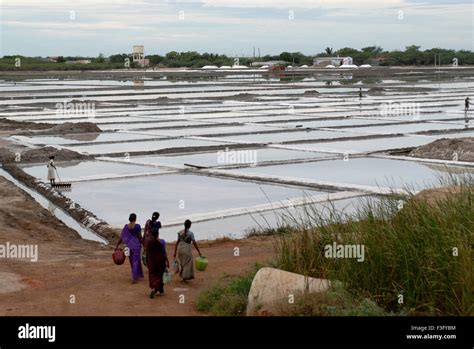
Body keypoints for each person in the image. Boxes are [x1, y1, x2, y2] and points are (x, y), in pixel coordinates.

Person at [116, 213, 144, 283]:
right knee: (136, 261)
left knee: (132, 261)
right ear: (135, 219)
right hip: (136, 246)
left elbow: (121, 237)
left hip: (129, 246)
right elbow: (140, 237)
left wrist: (117, 245)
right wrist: (144, 244)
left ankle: (137, 275)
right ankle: (134, 277)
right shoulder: (137, 226)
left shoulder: (126, 227)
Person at [146, 226, 169, 298]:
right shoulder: (161, 242)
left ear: (151, 234)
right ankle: (160, 291)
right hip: (160, 262)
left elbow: (147, 253)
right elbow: (164, 253)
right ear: (158, 234)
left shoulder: (149, 242)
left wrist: (147, 261)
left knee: (152, 275)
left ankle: (154, 288)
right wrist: (167, 261)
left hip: (152, 262)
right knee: (161, 275)